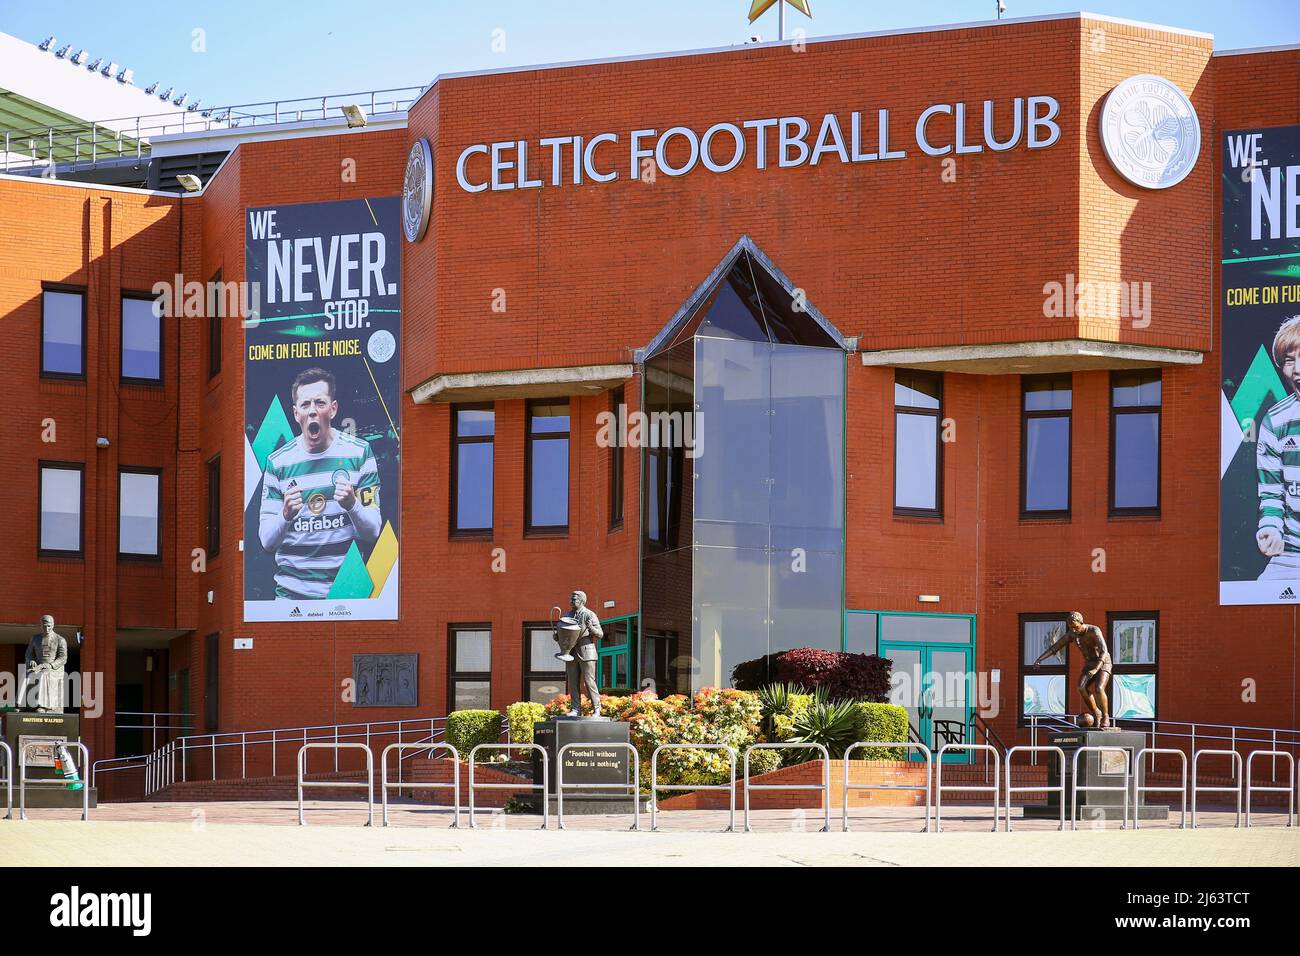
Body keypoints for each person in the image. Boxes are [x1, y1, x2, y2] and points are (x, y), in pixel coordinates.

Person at [258, 367, 382, 600]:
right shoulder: (277, 462)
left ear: (333, 409)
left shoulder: (359, 453)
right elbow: (266, 541)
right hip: (291, 598)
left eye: (320, 403)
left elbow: (373, 532)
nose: (313, 411)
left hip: (346, 595)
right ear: (296, 414)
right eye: (305, 405)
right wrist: (285, 515)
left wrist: (352, 505)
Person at [1256, 315, 1300, 578]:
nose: (1296, 369)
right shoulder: (1275, 420)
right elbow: (1271, 495)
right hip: (1293, 553)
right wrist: (1270, 530)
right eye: (1289, 360)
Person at [1030, 611, 1113, 729]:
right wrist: (1040, 659)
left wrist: (1095, 669)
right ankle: (1096, 713)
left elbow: (1104, 651)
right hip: (1089, 663)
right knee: (1081, 687)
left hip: (1103, 662)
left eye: (1075, 627)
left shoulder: (1094, 631)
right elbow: (1056, 646)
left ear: (1081, 623)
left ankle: (1105, 716)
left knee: (1099, 688)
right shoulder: (1072, 634)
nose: (1073, 630)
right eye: (1071, 627)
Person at [564, 590, 603, 717]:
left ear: (581, 600)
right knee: (573, 682)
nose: (571, 601)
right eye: (571, 599)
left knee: (589, 681)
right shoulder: (568, 615)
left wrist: (591, 628)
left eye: (574, 599)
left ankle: (597, 708)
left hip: (587, 650)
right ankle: (575, 709)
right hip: (571, 651)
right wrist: (558, 636)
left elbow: (600, 634)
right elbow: (565, 632)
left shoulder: (589, 614)